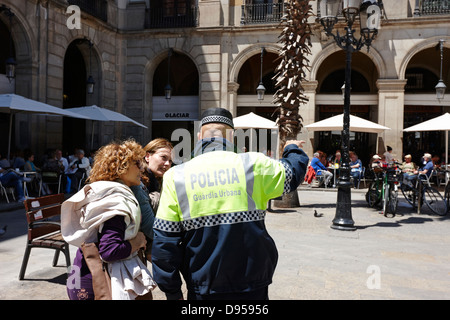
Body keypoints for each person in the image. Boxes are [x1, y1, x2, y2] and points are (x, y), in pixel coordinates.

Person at [151, 107, 309, 300]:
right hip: (252, 285)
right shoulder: (254, 164)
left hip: (203, 287)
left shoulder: (176, 177)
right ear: (232, 136)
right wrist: (292, 148)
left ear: (200, 136)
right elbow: (293, 173)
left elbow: (165, 242)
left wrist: (172, 291)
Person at [61, 139, 156, 300]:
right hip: (96, 284)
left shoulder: (106, 192)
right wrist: (137, 241)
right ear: (120, 168)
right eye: (136, 164)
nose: (142, 168)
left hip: (83, 277)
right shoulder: (114, 202)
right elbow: (109, 250)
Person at [130, 138, 173, 262]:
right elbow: (150, 228)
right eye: (163, 158)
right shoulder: (138, 182)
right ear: (147, 156)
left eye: (170, 161)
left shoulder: (154, 180)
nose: (167, 164)